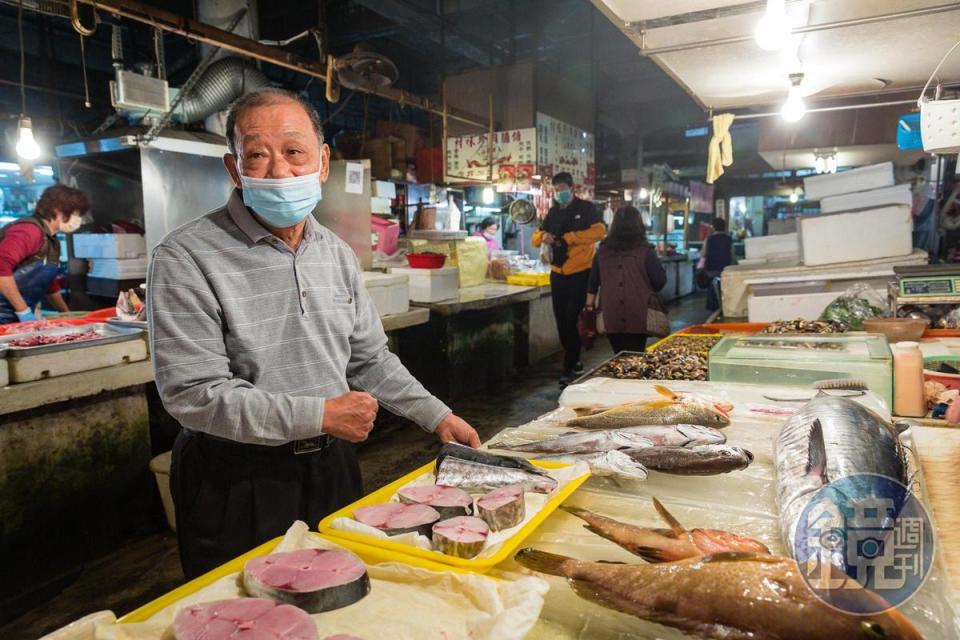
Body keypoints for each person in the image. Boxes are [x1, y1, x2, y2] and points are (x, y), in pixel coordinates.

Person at [147, 88, 480, 579]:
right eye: (257, 154)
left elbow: (368, 358)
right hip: (237, 478)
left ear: (322, 162)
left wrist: (437, 416)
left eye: (294, 151)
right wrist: (319, 414)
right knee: (247, 619)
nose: (280, 170)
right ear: (235, 169)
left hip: (332, 466)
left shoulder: (336, 252)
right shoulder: (185, 256)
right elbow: (193, 394)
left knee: (340, 600)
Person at [532, 172, 605, 384]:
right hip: (557, 273)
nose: (559, 193)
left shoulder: (586, 209)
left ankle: (568, 367)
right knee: (561, 322)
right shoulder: (553, 212)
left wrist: (569, 238)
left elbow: (600, 232)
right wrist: (541, 237)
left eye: (562, 188)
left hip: (581, 273)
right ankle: (575, 360)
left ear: (572, 188)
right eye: (556, 190)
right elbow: (537, 236)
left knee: (572, 319)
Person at [0, 184, 87, 324]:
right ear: (58, 210)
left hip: (13, 318)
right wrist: (23, 311)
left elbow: (47, 282)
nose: (78, 219)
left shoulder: (52, 241)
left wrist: (66, 314)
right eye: (75, 214)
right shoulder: (29, 231)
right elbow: (1, 266)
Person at [585, 206, 667, 354]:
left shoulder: (602, 251)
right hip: (638, 312)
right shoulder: (645, 251)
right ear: (638, 224)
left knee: (619, 354)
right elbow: (660, 280)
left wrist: (589, 306)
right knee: (635, 355)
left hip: (611, 313)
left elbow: (593, 282)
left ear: (614, 225)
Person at [702, 217, 736, 311]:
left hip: (711, 270)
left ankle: (713, 308)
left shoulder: (708, 239)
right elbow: (733, 256)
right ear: (724, 227)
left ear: (713, 227)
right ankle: (725, 307)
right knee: (725, 290)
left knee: (712, 289)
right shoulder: (729, 239)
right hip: (725, 271)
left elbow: (703, 254)